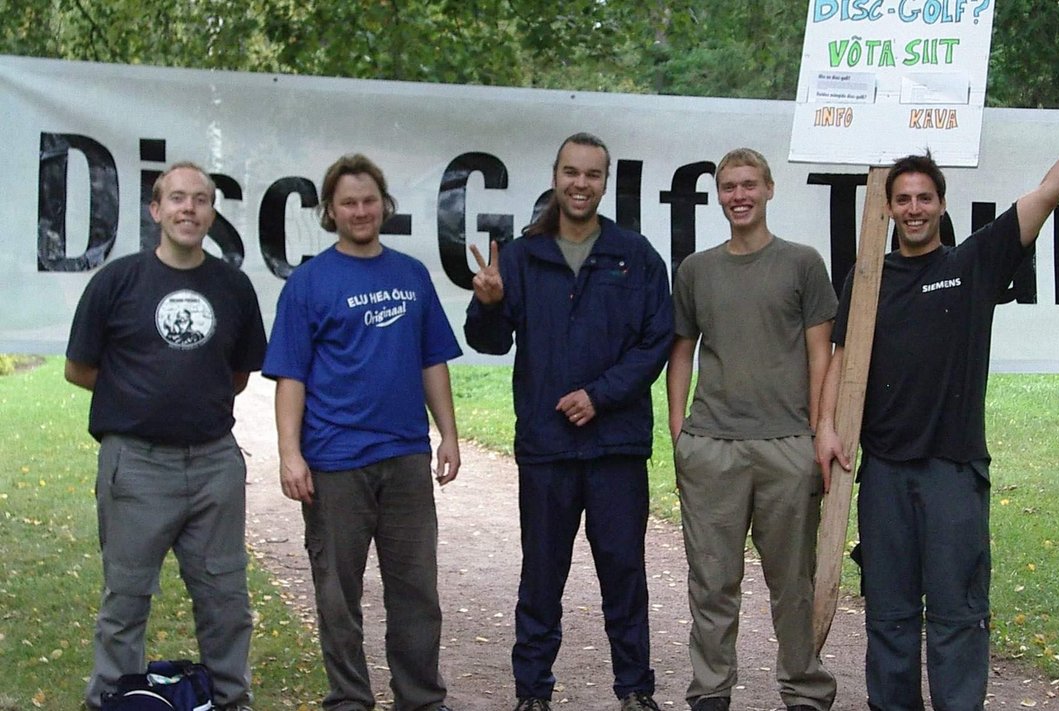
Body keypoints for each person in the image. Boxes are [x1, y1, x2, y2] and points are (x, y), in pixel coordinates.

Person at [815, 80, 1059, 710]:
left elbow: (1049, 192)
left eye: (923, 198)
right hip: (882, 473)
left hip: (953, 471)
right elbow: (843, 357)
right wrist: (825, 426)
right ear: (887, 206)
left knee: (958, 612)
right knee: (891, 615)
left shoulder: (973, 265)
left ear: (940, 203)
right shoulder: (868, 277)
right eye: (901, 199)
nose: (912, 209)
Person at [464, 132, 672, 711]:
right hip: (548, 447)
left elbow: (656, 341)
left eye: (593, 174)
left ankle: (634, 690)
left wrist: (600, 396)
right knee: (542, 579)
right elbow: (487, 339)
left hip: (616, 447)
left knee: (624, 575)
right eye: (571, 172)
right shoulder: (522, 257)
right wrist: (487, 302)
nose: (581, 183)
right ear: (556, 176)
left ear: (606, 183)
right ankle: (532, 693)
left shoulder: (636, 255)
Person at [263, 154, 462, 711]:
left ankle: (420, 699)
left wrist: (447, 434)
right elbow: (291, 377)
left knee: (416, 593)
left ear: (385, 205)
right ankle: (350, 698)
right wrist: (289, 455)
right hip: (334, 462)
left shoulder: (411, 275)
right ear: (330, 211)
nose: (360, 211)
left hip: (404, 458)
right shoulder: (308, 282)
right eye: (348, 202)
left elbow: (432, 361)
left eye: (369, 200)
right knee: (337, 594)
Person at [66, 161, 267, 711]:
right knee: (125, 598)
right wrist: (139, 399)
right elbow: (79, 368)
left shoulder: (233, 286)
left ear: (211, 212)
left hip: (214, 467)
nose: (189, 209)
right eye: (177, 198)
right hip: (136, 464)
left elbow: (239, 373)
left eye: (200, 200)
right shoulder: (117, 281)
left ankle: (231, 700)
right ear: (156, 210)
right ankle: (112, 698)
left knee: (225, 596)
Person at [666, 148, 839, 711]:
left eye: (748, 185)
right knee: (712, 583)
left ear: (769, 189)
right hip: (711, 446)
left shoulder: (802, 264)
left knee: (793, 584)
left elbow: (822, 356)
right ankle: (711, 692)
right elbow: (682, 351)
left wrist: (818, 432)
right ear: (718, 195)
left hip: (786, 445)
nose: (738, 196)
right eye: (728, 187)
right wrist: (678, 430)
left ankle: (804, 690)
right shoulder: (696, 270)